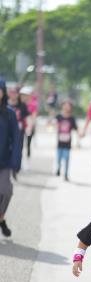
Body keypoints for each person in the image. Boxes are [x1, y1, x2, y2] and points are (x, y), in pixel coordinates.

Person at [0, 79, 21, 237]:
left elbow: (16, 139)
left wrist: (16, 162)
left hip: (4, 161)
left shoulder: (9, 114)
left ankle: (1, 217)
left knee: (6, 191)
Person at [7, 85, 29, 173]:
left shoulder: (22, 105)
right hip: (7, 132)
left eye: (15, 93)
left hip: (19, 132)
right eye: (11, 92)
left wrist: (29, 128)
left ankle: (16, 167)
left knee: (18, 149)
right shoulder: (5, 104)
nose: (13, 95)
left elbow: (27, 117)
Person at [55, 100, 78, 181]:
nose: (67, 107)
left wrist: (78, 140)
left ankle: (66, 174)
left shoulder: (72, 118)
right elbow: (53, 124)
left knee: (66, 158)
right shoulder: (58, 116)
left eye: (68, 106)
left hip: (68, 142)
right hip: (59, 141)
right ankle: (58, 168)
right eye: (65, 105)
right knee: (59, 157)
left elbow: (76, 128)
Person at [20, 86, 38, 160]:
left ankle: (27, 158)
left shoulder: (33, 104)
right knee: (20, 144)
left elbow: (34, 116)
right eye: (22, 94)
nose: (23, 96)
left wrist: (31, 126)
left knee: (28, 144)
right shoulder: (20, 103)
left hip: (29, 127)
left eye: (25, 94)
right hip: (21, 126)